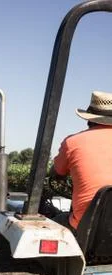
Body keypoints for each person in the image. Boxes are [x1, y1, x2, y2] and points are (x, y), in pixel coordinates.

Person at [50, 90, 112, 235]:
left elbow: (57, 172)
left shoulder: (72, 142)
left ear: (89, 118)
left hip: (86, 229)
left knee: (54, 220)